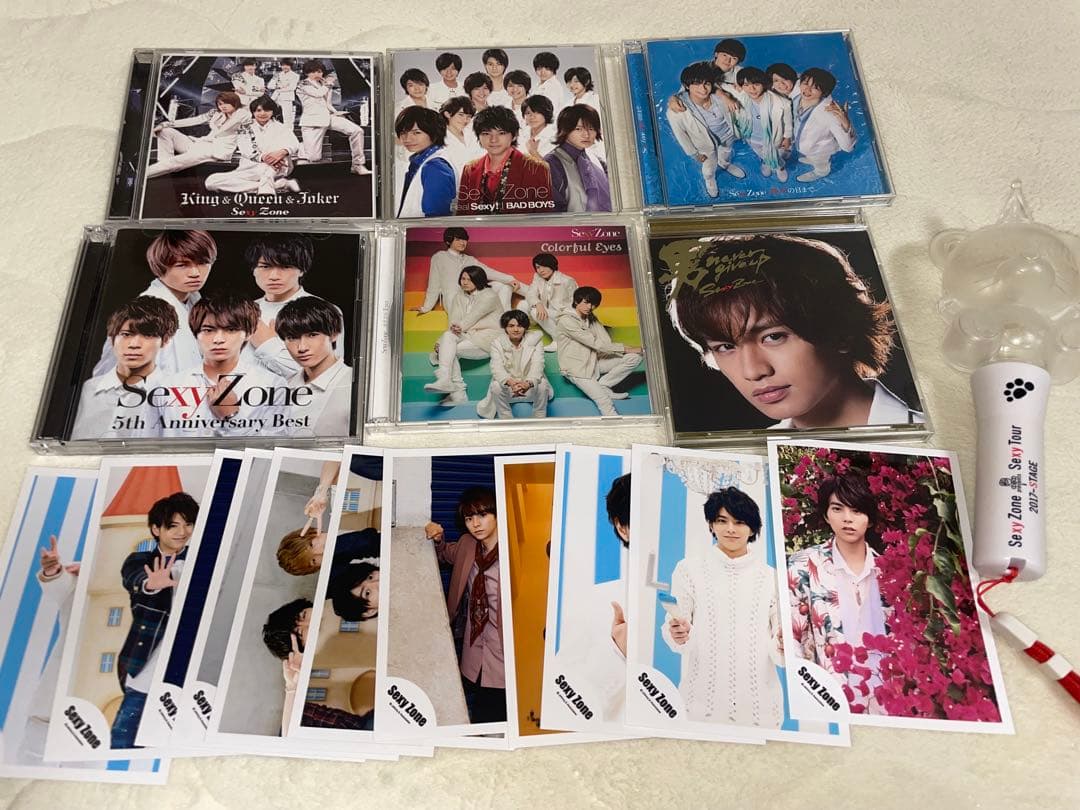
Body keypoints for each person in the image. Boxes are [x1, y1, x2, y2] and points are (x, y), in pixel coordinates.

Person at [666, 232, 923, 429]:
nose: (753, 371)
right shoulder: (746, 461)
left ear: (840, 331)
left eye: (773, 337)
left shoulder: (932, 441)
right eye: (725, 347)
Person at [663, 487, 783, 727]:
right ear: (711, 525)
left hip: (760, 709)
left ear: (753, 528)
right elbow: (677, 629)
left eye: (739, 522)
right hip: (699, 706)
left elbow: (780, 642)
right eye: (722, 521)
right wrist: (677, 633)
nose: (730, 529)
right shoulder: (688, 570)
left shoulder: (772, 578)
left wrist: (783, 642)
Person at [788, 474, 891, 713]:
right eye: (837, 508)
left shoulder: (890, 572)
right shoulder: (804, 565)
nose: (847, 518)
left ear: (869, 519)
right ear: (826, 514)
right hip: (829, 700)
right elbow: (794, 639)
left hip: (886, 702)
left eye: (857, 510)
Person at [111, 492, 199, 748]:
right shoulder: (140, 561)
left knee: (172, 743)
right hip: (145, 668)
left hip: (186, 670)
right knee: (123, 741)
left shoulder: (201, 562)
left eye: (188, 524)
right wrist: (151, 583)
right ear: (156, 529)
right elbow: (135, 579)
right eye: (173, 526)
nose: (182, 532)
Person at [425, 487, 507, 724]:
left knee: (502, 714)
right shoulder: (467, 544)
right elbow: (444, 554)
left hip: (505, 651)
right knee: (478, 713)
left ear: (498, 514)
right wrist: (437, 539)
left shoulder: (516, 551)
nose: (475, 524)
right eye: (469, 518)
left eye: (482, 515)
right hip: (475, 651)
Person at [157, 294, 288, 438]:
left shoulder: (273, 386)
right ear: (195, 334)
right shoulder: (168, 387)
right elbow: (148, 445)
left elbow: (273, 447)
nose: (218, 339)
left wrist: (231, 416)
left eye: (230, 330)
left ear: (249, 334)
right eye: (208, 330)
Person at [91, 230, 216, 377]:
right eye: (182, 265)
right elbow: (109, 375)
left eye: (202, 263)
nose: (195, 273)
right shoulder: (143, 312)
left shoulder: (194, 302)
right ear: (161, 267)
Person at [72, 296, 179, 440]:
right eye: (126, 334)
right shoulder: (88, 389)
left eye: (147, 335)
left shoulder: (174, 393)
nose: (134, 344)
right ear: (112, 338)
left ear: (165, 340)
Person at [242, 234, 344, 379]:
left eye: (285, 266)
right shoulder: (241, 310)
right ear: (253, 270)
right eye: (265, 266)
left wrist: (267, 344)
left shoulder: (325, 310)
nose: (274, 276)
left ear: (302, 270)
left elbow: (327, 375)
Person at [18, 535, 81, 763]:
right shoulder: (85, 572)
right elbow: (61, 584)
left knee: (87, 774)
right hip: (51, 704)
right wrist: (53, 571)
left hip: (101, 714)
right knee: (30, 763)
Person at [555, 286, 643, 416]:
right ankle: (615, 424)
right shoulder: (566, 320)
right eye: (586, 302)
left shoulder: (589, 317)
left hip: (594, 362)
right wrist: (625, 349)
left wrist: (629, 350)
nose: (589, 307)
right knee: (604, 401)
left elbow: (604, 340)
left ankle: (605, 384)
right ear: (576, 301)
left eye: (593, 304)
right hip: (577, 369)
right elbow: (594, 343)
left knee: (635, 357)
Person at [423, 266, 503, 406]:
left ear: (478, 280)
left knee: (448, 350)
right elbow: (453, 322)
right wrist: (441, 341)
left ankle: (458, 393)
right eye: (463, 278)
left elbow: (472, 317)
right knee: (448, 338)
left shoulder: (489, 295)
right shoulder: (459, 296)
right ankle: (444, 380)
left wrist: (446, 342)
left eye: (469, 279)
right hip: (468, 335)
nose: (465, 282)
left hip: (487, 338)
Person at [274, 296, 352, 437]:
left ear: (334, 334)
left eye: (312, 335)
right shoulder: (282, 386)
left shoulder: (355, 384)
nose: (302, 347)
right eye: (292, 338)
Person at [666, 61, 746, 198]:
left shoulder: (720, 97)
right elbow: (681, 135)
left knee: (726, 152)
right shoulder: (677, 110)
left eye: (706, 84)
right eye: (697, 84)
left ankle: (725, 164)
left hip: (727, 134)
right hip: (705, 144)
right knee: (709, 168)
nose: (703, 89)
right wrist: (694, 153)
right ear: (686, 86)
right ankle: (709, 180)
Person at [456, 106, 554, 215]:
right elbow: (462, 215)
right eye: (486, 133)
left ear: (514, 135)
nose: (493, 140)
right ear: (478, 136)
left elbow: (544, 218)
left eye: (501, 133)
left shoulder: (537, 168)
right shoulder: (469, 170)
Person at [410, 226, 519, 315]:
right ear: (448, 241)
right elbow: (434, 284)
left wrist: (510, 279)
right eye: (458, 239)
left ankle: (506, 318)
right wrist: (426, 307)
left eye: (464, 239)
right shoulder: (439, 257)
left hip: (473, 294)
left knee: (504, 285)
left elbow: (488, 271)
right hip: (454, 299)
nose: (462, 243)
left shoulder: (469, 259)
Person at [204, 95, 301, 196]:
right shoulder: (245, 128)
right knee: (211, 182)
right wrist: (264, 157)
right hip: (250, 168)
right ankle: (278, 185)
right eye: (258, 110)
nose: (263, 113)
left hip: (275, 168)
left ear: (273, 112)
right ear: (253, 112)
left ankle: (267, 186)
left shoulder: (281, 128)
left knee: (269, 167)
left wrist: (281, 153)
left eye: (267, 110)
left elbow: (293, 143)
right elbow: (246, 149)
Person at [146, 91, 251, 179]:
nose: (222, 106)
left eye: (226, 103)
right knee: (165, 131)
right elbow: (195, 120)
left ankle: (143, 175)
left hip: (214, 150)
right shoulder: (216, 113)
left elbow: (239, 123)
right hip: (199, 144)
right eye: (220, 104)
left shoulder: (242, 114)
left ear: (235, 102)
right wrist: (164, 124)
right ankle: (163, 165)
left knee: (175, 161)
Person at [296, 59, 370, 174]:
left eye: (319, 72)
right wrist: (328, 84)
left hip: (328, 117)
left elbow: (328, 104)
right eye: (313, 72)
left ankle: (358, 165)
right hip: (312, 121)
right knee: (314, 157)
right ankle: (301, 147)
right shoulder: (302, 84)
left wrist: (337, 113)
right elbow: (317, 94)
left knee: (357, 131)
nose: (317, 74)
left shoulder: (323, 84)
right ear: (307, 73)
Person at [477, 309, 553, 419]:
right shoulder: (497, 343)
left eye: (520, 326)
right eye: (511, 326)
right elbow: (496, 368)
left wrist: (528, 383)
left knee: (543, 384)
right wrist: (511, 383)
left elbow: (538, 365)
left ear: (525, 328)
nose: (516, 329)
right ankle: (505, 417)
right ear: (505, 327)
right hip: (509, 390)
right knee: (496, 386)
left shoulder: (536, 341)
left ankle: (539, 415)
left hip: (529, 388)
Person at [727, 66, 792, 182]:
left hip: (772, 138)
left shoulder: (780, 102)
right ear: (741, 86)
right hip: (752, 137)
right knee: (761, 153)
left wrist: (787, 137)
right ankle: (767, 162)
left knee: (776, 155)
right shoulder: (741, 97)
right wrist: (724, 97)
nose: (751, 89)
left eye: (756, 84)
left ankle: (780, 167)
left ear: (763, 84)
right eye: (746, 85)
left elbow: (788, 122)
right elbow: (719, 85)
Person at [792, 67, 856, 182]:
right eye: (805, 83)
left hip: (820, 150)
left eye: (815, 88)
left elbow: (848, 147)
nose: (807, 89)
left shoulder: (829, 114)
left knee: (820, 163)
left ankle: (821, 172)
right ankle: (810, 158)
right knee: (810, 155)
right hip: (806, 145)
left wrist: (845, 122)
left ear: (824, 92)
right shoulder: (798, 90)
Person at [544, 104, 612, 212]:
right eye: (578, 129)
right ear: (565, 130)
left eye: (591, 128)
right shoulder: (551, 163)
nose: (586, 134)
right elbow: (552, 211)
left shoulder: (596, 160)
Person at [394, 106, 456, 218]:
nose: (407, 139)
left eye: (416, 133)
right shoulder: (420, 161)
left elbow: (436, 218)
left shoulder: (435, 167)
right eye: (403, 132)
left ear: (434, 133)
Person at [523, 251, 577, 350]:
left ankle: (558, 339)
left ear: (552, 265)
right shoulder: (537, 277)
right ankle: (522, 329)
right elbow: (531, 293)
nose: (541, 270)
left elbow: (576, 303)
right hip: (548, 312)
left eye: (544, 266)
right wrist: (538, 303)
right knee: (524, 304)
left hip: (564, 314)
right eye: (538, 267)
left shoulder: (567, 281)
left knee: (534, 311)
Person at [439, 97, 483, 180]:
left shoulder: (472, 134)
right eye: (461, 115)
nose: (465, 120)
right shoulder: (439, 139)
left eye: (468, 116)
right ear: (447, 114)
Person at [520, 95, 556, 159]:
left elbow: (552, 165)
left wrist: (534, 153)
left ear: (546, 113)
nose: (532, 117)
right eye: (528, 113)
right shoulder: (520, 134)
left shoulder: (554, 138)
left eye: (537, 112)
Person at [533, 51, 568, 117]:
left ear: (553, 70)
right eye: (539, 68)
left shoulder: (553, 86)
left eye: (547, 69)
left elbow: (550, 111)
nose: (543, 72)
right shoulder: (538, 85)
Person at [268, 58, 299, 129]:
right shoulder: (277, 74)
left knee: (287, 118)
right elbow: (270, 85)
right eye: (283, 65)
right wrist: (280, 86)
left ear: (290, 66)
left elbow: (292, 87)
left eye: (287, 65)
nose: (285, 67)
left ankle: (288, 133)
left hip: (287, 98)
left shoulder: (295, 76)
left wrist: (279, 89)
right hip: (275, 98)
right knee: (272, 115)